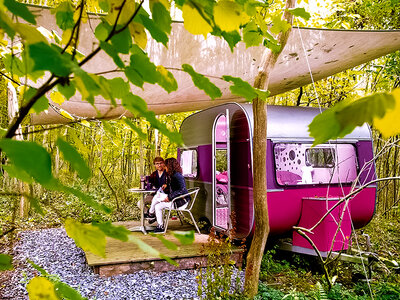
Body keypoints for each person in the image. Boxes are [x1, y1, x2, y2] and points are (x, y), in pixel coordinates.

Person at [146, 157, 190, 233]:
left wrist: (169, 197)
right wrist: (167, 186)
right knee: (157, 200)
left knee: (157, 200)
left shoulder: (177, 176)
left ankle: (151, 214)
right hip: (176, 199)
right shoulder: (173, 175)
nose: (164, 167)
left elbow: (182, 190)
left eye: (165, 165)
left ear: (169, 166)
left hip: (180, 201)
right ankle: (159, 225)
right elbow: (175, 187)